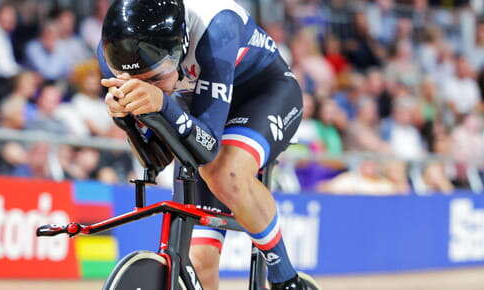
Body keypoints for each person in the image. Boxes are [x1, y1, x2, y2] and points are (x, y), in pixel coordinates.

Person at [97, 1, 318, 289]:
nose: (146, 85)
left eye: (155, 77)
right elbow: (156, 157)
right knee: (198, 262)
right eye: (135, 80)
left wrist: (162, 103)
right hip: (193, 103)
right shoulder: (115, 45)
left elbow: (208, 147)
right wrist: (126, 119)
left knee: (225, 173)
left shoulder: (217, 27)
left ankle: (285, 279)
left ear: (181, 45)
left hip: (261, 94)